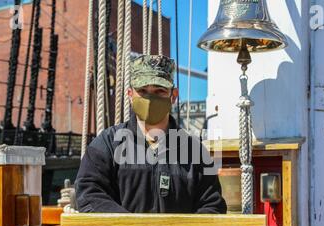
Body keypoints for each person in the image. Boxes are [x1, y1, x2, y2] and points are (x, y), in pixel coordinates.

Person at [75, 55, 227, 214]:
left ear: (173, 96)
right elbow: (88, 193)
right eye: (142, 91)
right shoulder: (107, 144)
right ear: (130, 95)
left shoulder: (195, 152)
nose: (150, 98)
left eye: (159, 91)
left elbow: (212, 205)